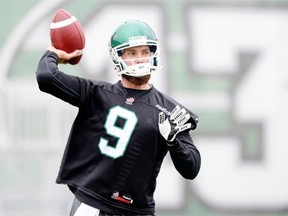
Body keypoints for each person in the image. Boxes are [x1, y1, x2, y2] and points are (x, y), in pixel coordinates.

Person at [36, 20, 201, 216]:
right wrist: (53, 53)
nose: (140, 59)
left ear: (153, 54)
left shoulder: (169, 111)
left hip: (138, 211)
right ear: (118, 57)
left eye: (144, 52)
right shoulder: (96, 93)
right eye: (132, 53)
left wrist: (174, 144)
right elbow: (46, 76)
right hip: (93, 204)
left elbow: (191, 169)